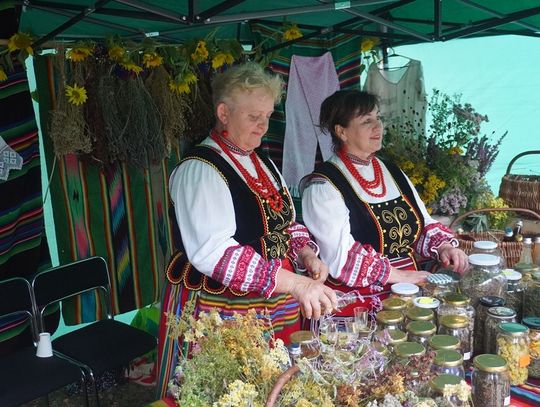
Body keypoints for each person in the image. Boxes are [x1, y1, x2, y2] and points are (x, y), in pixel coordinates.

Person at [156, 63, 338, 398]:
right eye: (254, 115)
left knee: (277, 387)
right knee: (228, 391)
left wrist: (307, 253)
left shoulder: (262, 162)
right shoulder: (199, 170)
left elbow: (287, 223)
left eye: (268, 115)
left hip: (275, 302)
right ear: (224, 112)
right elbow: (216, 253)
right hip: (221, 307)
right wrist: (296, 283)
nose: (264, 125)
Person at [301, 90, 468, 313]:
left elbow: (422, 223)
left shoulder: (391, 171)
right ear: (342, 131)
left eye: (378, 118)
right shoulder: (323, 185)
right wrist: (399, 275)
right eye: (366, 121)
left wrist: (445, 247)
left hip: (409, 290)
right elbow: (340, 258)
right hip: (357, 303)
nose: (378, 127)